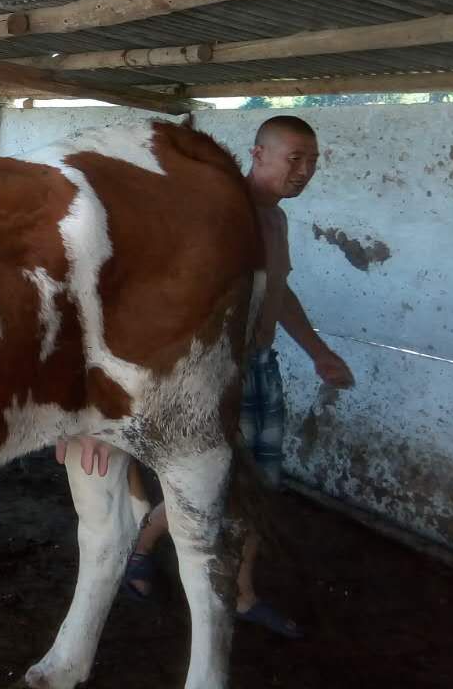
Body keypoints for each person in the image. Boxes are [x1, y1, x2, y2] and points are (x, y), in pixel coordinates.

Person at [116, 115, 355, 638]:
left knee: (260, 490)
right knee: (209, 488)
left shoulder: (276, 223)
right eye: (295, 158)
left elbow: (278, 293)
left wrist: (319, 351)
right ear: (258, 153)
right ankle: (142, 547)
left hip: (261, 370)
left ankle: (243, 593)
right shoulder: (219, 214)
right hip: (213, 375)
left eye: (312, 161)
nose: (305, 171)